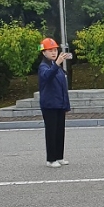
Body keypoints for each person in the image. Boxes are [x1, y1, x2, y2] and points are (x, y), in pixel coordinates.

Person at [38, 38, 72, 168]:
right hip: (49, 105)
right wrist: (57, 64)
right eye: (50, 50)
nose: (54, 52)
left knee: (59, 131)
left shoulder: (57, 67)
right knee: (51, 131)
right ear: (44, 52)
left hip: (59, 104)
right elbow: (47, 76)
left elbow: (63, 87)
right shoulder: (44, 66)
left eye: (55, 50)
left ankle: (59, 156)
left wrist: (66, 105)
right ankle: (51, 159)